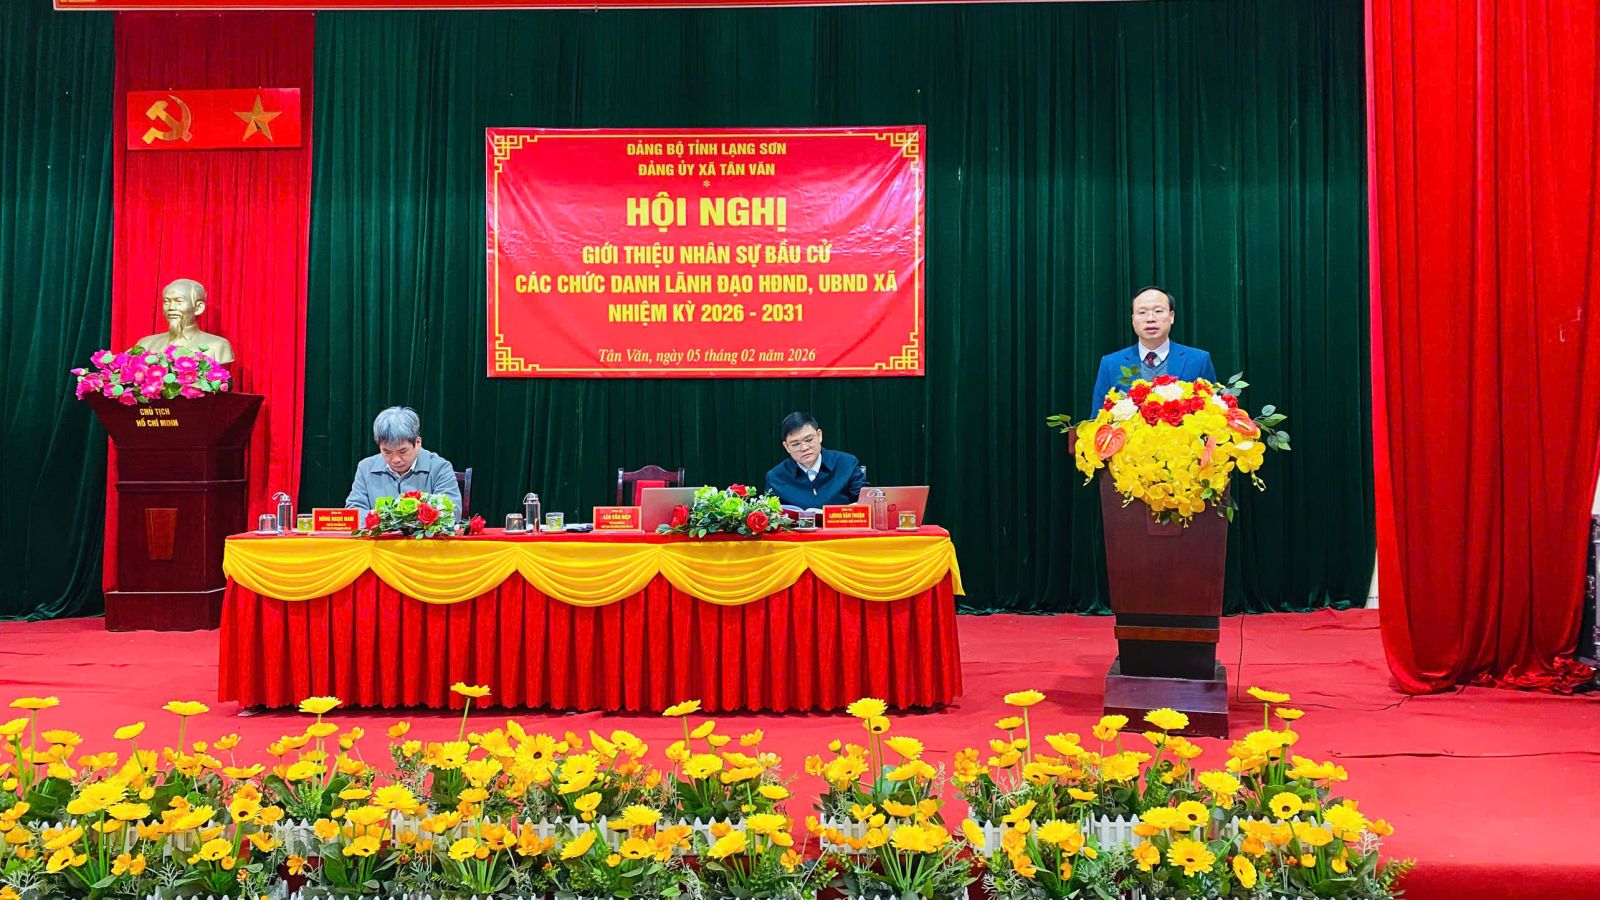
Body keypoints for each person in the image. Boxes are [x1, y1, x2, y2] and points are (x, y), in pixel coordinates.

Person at [1089, 285, 1217, 413]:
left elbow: (1213, 414)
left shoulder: (1199, 361)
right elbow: (1098, 419)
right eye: (1142, 312)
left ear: (1171, 316)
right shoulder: (1111, 364)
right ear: (1133, 319)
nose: (1150, 319)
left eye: (1158, 311)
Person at [344, 406, 461, 511]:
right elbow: (353, 511)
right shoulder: (365, 467)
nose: (395, 459)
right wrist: (387, 521)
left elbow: (452, 511)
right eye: (387, 452)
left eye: (402, 451)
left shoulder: (439, 467)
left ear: (418, 443)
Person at [764, 412, 866, 509]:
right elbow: (771, 515)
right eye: (795, 444)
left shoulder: (847, 464)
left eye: (809, 440)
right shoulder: (775, 477)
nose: (804, 448)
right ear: (786, 447)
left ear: (819, 435)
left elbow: (865, 501)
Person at [133, 278, 235, 363]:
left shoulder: (217, 346)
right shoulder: (145, 344)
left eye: (179, 302)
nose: (171, 307)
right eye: (167, 302)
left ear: (198, 308)